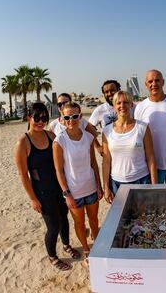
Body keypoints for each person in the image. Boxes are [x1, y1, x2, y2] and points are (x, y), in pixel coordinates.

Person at [14, 103, 80, 271]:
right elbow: (23, 175)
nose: (40, 121)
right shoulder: (23, 143)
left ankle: (66, 245)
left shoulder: (51, 135)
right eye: (37, 117)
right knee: (53, 226)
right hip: (42, 192)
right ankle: (52, 256)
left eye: (44, 118)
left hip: (59, 188)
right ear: (29, 118)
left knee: (64, 219)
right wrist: (33, 199)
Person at [53, 102, 103, 263]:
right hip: (73, 192)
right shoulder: (59, 141)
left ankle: (98, 245)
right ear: (62, 119)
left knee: (94, 220)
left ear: (80, 117)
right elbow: (59, 170)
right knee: (79, 223)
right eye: (67, 117)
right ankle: (87, 249)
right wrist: (66, 194)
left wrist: (99, 186)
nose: (71, 120)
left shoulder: (88, 137)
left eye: (75, 116)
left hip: (91, 189)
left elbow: (94, 164)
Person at [102, 91, 157, 204]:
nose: (122, 106)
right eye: (119, 103)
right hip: (117, 183)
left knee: (142, 218)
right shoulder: (107, 131)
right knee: (123, 219)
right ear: (114, 106)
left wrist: (154, 186)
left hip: (141, 181)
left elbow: (151, 158)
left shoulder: (142, 127)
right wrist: (106, 188)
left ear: (131, 105)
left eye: (126, 102)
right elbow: (106, 161)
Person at [134, 69, 166, 183]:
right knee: (156, 200)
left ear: (163, 82)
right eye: (150, 81)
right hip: (151, 167)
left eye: (157, 80)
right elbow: (138, 136)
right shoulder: (140, 107)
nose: (154, 84)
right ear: (146, 84)